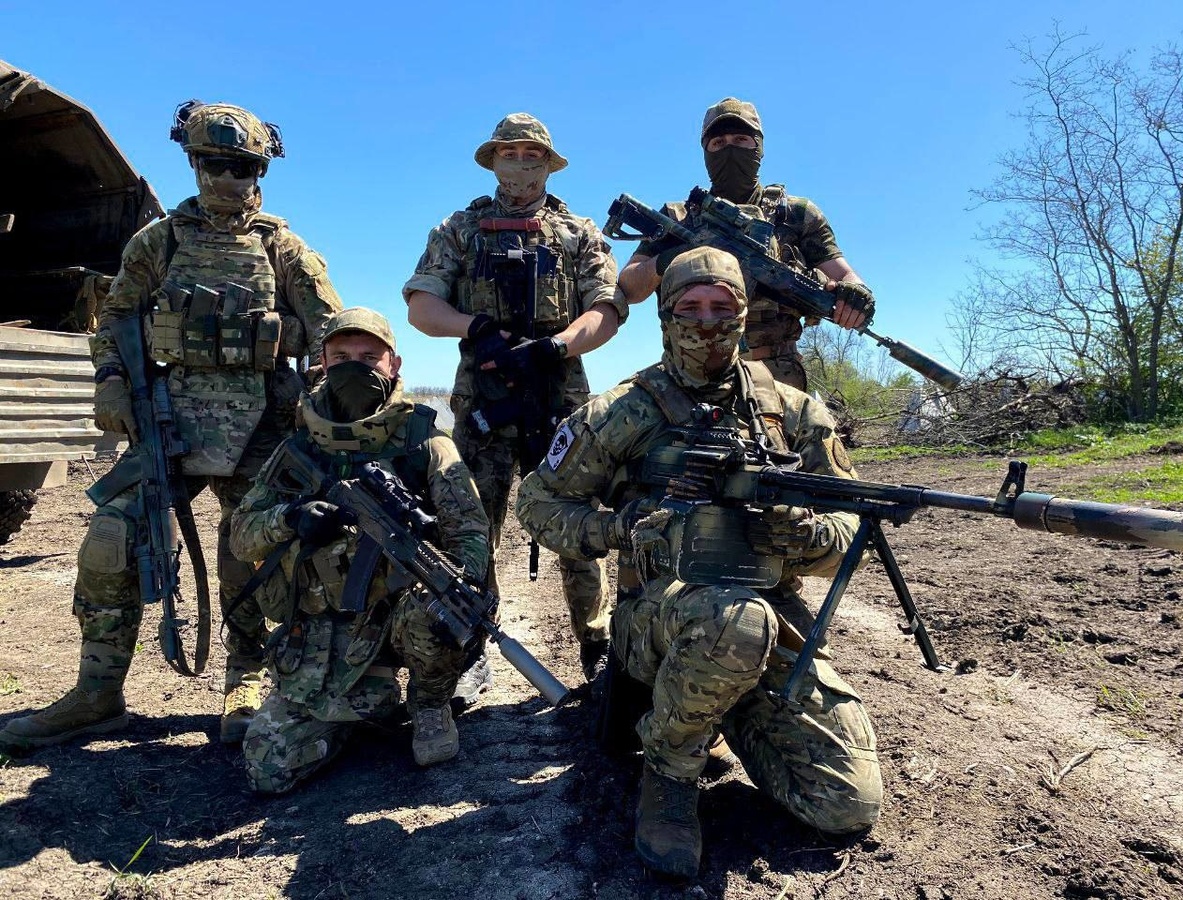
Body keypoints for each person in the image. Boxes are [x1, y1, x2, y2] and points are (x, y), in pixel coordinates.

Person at [515, 247, 882, 878]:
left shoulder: (794, 412)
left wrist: (805, 536)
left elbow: (851, 526)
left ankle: (721, 702)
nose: (707, 322)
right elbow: (537, 503)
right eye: (690, 307)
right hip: (657, 621)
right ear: (665, 315)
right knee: (734, 621)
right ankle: (669, 771)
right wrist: (619, 530)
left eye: (722, 306)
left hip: (771, 616)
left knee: (843, 805)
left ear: (744, 312)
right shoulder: (622, 411)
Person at [0, 101, 342, 752]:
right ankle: (97, 692)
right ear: (192, 163)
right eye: (214, 164)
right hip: (170, 422)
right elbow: (114, 320)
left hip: (262, 429)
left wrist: (319, 402)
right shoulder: (159, 243)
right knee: (111, 537)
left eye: (241, 167)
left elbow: (332, 337)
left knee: (253, 550)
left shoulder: (284, 249)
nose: (227, 179)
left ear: (261, 171)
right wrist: (110, 381)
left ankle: (247, 677)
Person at [403, 113, 626, 700]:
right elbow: (421, 307)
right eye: (510, 153)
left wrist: (555, 347)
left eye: (533, 155)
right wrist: (477, 328)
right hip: (485, 397)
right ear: (493, 160)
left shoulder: (578, 232)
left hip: (559, 400)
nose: (521, 164)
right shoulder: (459, 228)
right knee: (473, 528)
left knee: (576, 525)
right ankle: (470, 647)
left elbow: (606, 311)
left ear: (549, 164)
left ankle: (596, 646)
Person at [229, 307, 490, 793]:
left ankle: (430, 702)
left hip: (399, 620)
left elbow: (471, 531)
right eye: (342, 356)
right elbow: (241, 534)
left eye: (370, 357)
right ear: (322, 363)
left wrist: (455, 582)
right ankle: (354, 711)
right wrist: (290, 517)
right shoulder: (300, 446)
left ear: (394, 364)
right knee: (268, 767)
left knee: (439, 605)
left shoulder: (426, 442)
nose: (356, 366)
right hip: (319, 627)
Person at [616, 97, 874, 392]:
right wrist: (675, 257)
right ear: (706, 153)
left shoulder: (796, 214)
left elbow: (845, 275)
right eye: (718, 143)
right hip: (690, 377)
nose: (729, 149)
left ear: (758, 147)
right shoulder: (678, 217)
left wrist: (857, 295)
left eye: (741, 140)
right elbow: (629, 288)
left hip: (778, 379)